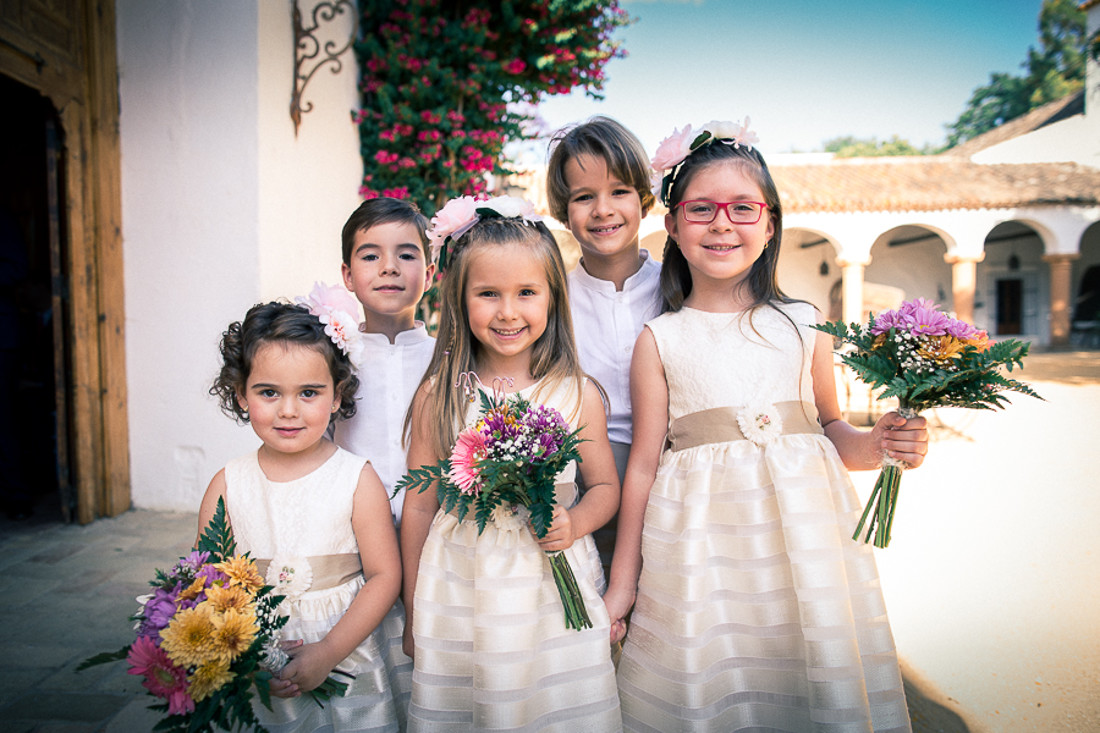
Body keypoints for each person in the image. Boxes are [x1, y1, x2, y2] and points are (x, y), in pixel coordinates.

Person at [605, 120, 925, 732]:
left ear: (771, 222)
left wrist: (882, 443)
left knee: (803, 677)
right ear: (671, 224)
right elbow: (643, 466)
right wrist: (623, 587)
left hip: (805, 546)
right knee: (715, 678)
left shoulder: (806, 322)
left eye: (742, 208)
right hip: (700, 552)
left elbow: (832, 428)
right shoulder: (661, 338)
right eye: (701, 209)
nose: (722, 223)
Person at [400, 195, 623, 731]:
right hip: (461, 584)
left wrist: (576, 522)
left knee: (556, 703)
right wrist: (413, 612)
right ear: (460, 299)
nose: (507, 311)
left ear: (553, 297)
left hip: (552, 581)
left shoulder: (575, 393)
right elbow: (418, 507)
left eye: (526, 292)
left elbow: (605, 488)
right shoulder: (442, 394)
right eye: (488, 294)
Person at [199, 294, 402, 732]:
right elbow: (208, 584)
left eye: (308, 392)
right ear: (241, 395)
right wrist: (244, 660)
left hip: (344, 653)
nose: (288, 410)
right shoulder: (227, 484)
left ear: (336, 396)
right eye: (268, 392)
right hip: (259, 660)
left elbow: (386, 576)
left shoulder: (355, 479)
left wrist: (327, 652)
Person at [332, 198, 434, 726]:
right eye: (370, 256)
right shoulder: (333, 362)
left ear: (432, 271)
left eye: (406, 254)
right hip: (356, 547)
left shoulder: (450, 355)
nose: (390, 267)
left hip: (437, 540)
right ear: (348, 275)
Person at [546, 116, 660, 582]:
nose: (603, 209)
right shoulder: (552, 301)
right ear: (563, 209)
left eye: (619, 192)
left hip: (670, 469)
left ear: (644, 199)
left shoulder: (679, 285)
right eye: (583, 197)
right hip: (585, 475)